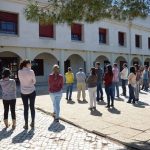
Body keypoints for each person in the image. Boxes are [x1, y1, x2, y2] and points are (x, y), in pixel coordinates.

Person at [18, 60, 36, 129]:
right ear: (27, 64)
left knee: (25, 108)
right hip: (31, 91)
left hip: (23, 92)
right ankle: (33, 122)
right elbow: (34, 81)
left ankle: (26, 124)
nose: (31, 65)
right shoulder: (31, 71)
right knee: (32, 107)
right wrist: (30, 81)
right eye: (30, 63)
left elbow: (21, 80)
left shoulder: (19, 71)